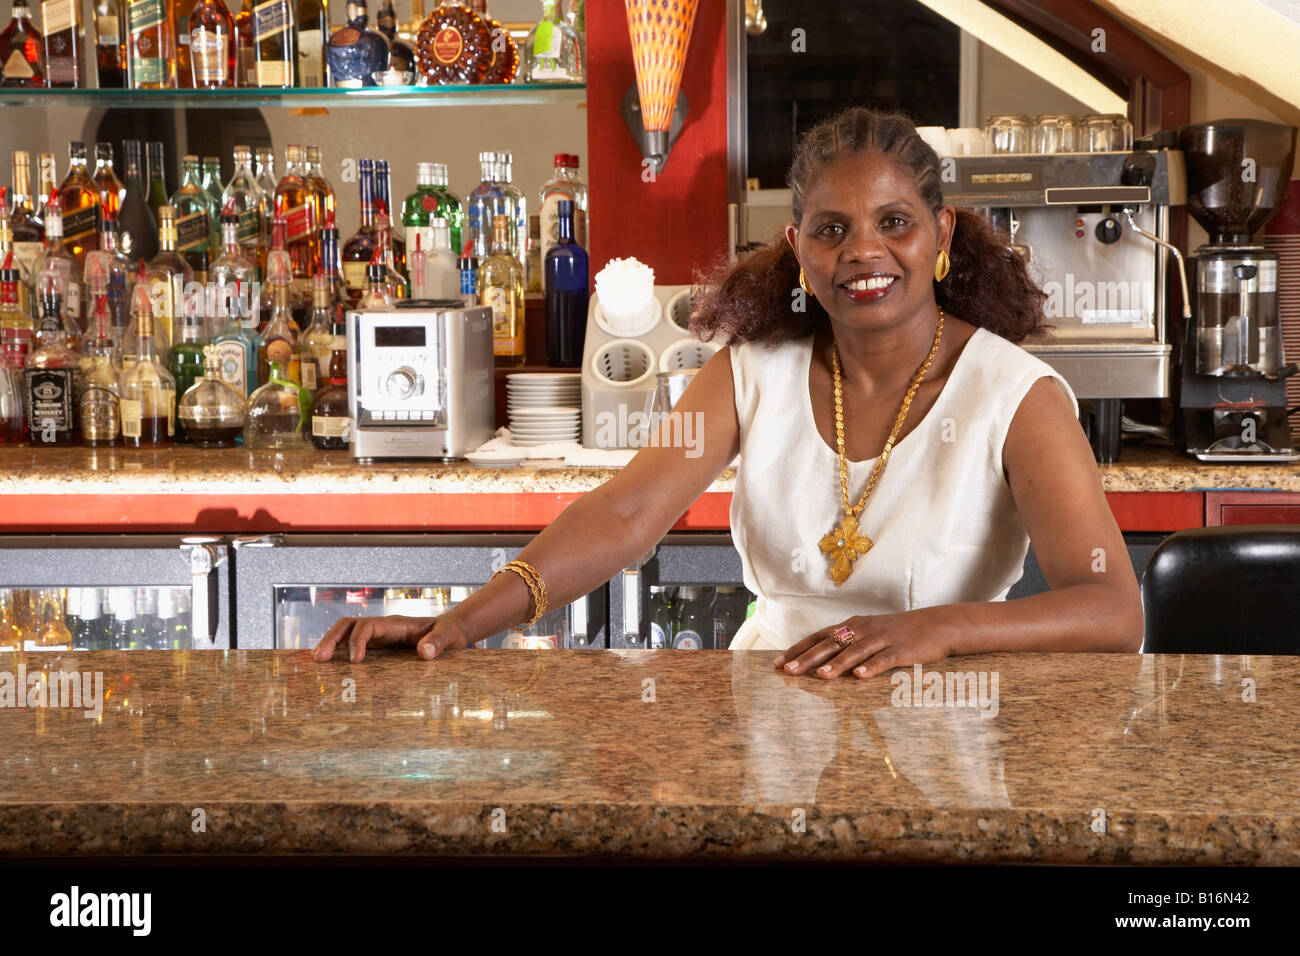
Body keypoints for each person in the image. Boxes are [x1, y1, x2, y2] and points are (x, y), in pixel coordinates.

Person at [313, 106, 1143, 676]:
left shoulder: (1016, 395)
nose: (864, 251)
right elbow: (627, 513)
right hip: (772, 707)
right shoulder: (753, 370)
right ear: (798, 245)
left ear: (942, 233)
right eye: (831, 228)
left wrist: (942, 629)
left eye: (895, 221)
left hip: (941, 728)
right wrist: (461, 621)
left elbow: (1112, 610)